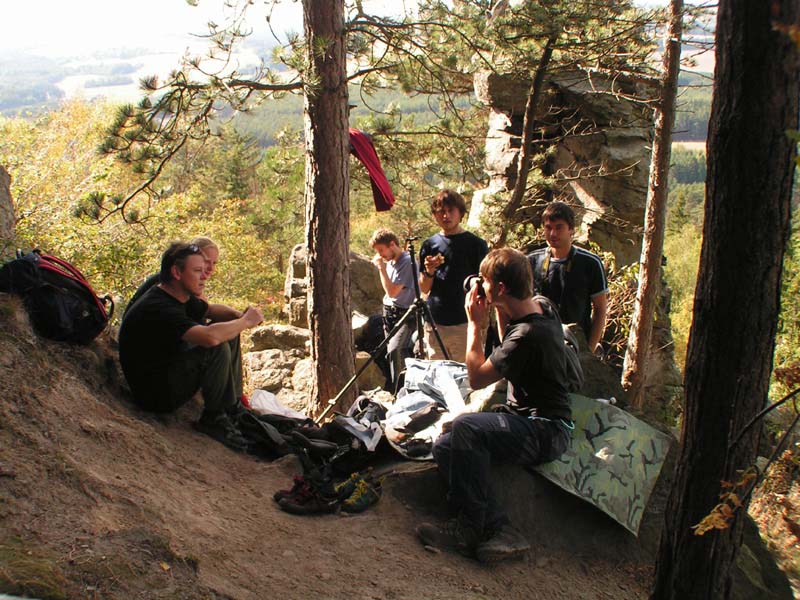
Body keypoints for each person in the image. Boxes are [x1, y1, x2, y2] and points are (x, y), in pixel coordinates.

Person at [415, 247, 572, 563]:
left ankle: (470, 529)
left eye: (486, 283)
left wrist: (475, 324)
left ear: (500, 288)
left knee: (466, 427)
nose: (481, 288)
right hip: (533, 423)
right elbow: (510, 342)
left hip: (545, 430)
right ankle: (499, 527)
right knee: (446, 445)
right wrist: (499, 305)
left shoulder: (528, 335)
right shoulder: (542, 308)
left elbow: (476, 378)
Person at [119, 241, 263, 451]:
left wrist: (238, 317)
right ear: (176, 272)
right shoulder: (158, 306)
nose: (205, 275)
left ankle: (232, 407)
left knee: (228, 333)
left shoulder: (176, 294)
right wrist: (246, 322)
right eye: (198, 270)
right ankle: (214, 418)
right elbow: (210, 338)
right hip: (155, 394)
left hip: (167, 371)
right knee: (216, 346)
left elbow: (209, 311)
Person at [527, 201, 608, 354]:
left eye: (559, 227)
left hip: (576, 344)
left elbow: (600, 310)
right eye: (548, 227)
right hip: (541, 343)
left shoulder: (590, 263)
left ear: (571, 229)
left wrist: (589, 350)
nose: (553, 234)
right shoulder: (532, 260)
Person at [418, 189, 488, 362]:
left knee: (464, 375)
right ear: (435, 215)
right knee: (437, 375)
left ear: (460, 213)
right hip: (435, 321)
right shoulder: (429, 245)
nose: (446, 216)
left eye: (451, 211)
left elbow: (485, 284)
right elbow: (424, 287)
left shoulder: (476, 245)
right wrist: (429, 271)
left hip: (465, 321)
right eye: (441, 211)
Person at [370, 228, 416, 390]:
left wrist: (381, 268)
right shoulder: (391, 262)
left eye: (382, 250)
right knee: (389, 352)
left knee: (396, 350)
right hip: (389, 312)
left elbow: (392, 291)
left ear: (392, 244)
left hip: (404, 314)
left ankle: (402, 390)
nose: (381, 255)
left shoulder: (407, 262)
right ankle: (396, 387)